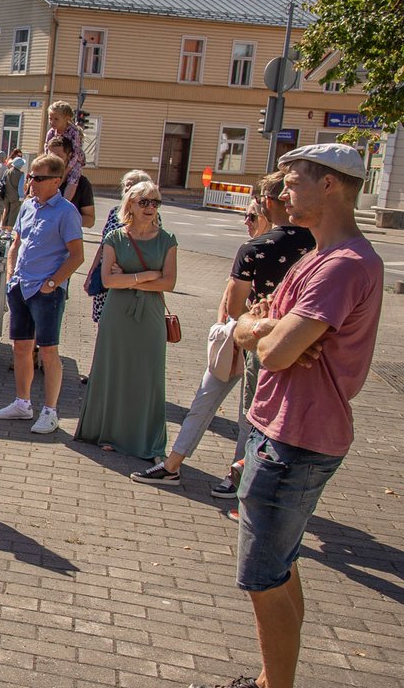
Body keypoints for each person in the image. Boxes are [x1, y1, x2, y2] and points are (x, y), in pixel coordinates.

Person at [191, 143, 382, 688]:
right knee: (281, 566)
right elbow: (250, 323)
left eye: (294, 179)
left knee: (265, 577)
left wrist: (267, 333)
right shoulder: (318, 255)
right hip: (280, 429)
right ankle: (270, 685)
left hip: (298, 437)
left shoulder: (342, 265)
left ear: (330, 185)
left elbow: (269, 348)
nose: (281, 190)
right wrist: (268, 329)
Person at [132, 171, 312, 488]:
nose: (248, 220)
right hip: (289, 341)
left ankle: (183, 467)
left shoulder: (255, 248)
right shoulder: (317, 247)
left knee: (217, 405)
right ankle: (233, 477)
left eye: (252, 214)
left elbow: (234, 305)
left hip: (246, 335)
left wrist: (241, 324)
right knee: (249, 415)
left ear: (269, 204)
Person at [75, 181, 177, 460]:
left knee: (147, 376)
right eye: (144, 201)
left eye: (155, 202)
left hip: (151, 314)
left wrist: (129, 280)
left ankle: (143, 438)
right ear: (130, 203)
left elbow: (168, 283)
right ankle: (109, 434)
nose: (150, 207)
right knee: (114, 371)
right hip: (117, 313)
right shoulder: (115, 237)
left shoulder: (167, 239)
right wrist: (147, 276)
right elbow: (108, 280)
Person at [0, 153, 83, 434]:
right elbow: (16, 243)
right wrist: (11, 275)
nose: (31, 182)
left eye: (39, 178)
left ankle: (50, 411)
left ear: (57, 181)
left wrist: (52, 284)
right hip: (21, 286)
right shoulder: (28, 206)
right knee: (21, 348)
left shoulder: (66, 212)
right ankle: (22, 403)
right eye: (31, 176)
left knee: (48, 351)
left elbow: (77, 256)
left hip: (46, 291)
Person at [87, 170, 155, 326]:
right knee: (103, 323)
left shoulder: (150, 216)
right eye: (126, 185)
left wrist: (126, 272)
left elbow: (150, 250)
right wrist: (91, 272)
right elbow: (103, 244)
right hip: (106, 274)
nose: (127, 188)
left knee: (123, 325)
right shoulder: (114, 212)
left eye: (132, 185)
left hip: (129, 279)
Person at [47, 135, 95, 227]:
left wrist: (64, 220)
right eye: (51, 156)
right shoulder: (38, 178)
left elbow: (90, 220)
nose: (54, 161)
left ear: (69, 156)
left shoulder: (81, 183)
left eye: (59, 156)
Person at [45, 100, 86, 198]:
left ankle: (66, 200)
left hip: (74, 159)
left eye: (56, 119)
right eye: (50, 118)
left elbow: (76, 153)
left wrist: (66, 171)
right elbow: (46, 148)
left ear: (66, 119)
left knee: (73, 176)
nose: (52, 122)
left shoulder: (73, 132)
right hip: (57, 158)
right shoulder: (51, 132)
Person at [1, 152, 27, 232]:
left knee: (6, 212)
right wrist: (21, 196)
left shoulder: (7, 171)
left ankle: (2, 229)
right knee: (13, 213)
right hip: (15, 196)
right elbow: (20, 187)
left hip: (6, 195)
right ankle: (9, 232)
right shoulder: (21, 174)